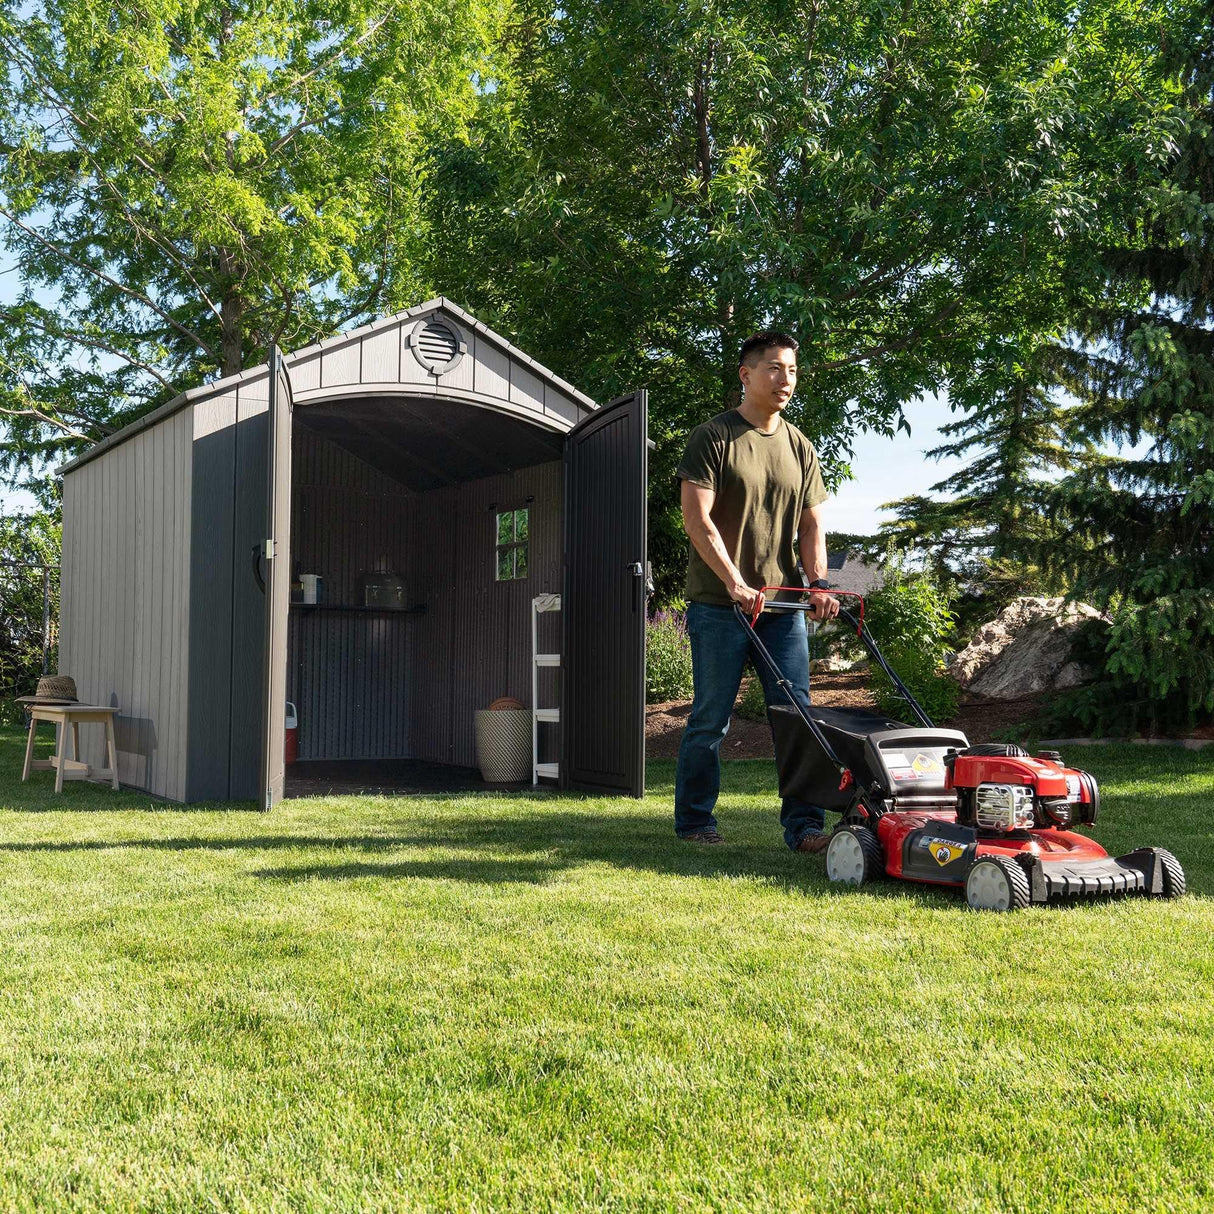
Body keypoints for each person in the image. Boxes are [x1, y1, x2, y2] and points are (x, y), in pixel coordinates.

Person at [674, 330, 840, 851]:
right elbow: (697, 520)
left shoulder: (800, 446)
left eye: (791, 369)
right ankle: (696, 821)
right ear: (746, 375)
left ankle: (805, 827)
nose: (785, 379)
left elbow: (812, 526)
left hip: (783, 608)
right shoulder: (714, 437)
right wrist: (734, 581)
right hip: (720, 605)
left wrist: (817, 583)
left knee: (798, 718)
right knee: (711, 720)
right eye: (773, 368)